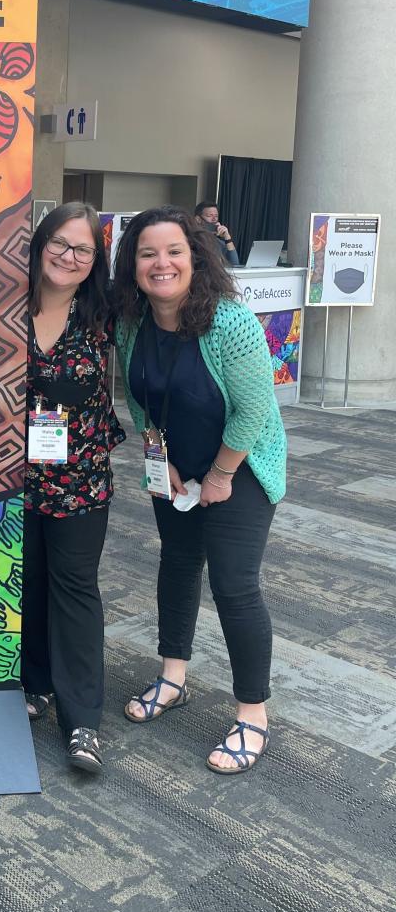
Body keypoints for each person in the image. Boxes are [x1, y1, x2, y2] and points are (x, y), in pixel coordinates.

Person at [111, 206, 286, 774]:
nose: (161, 263)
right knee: (178, 567)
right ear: (133, 265)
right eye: (147, 253)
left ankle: (252, 715)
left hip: (243, 467)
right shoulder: (132, 324)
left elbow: (257, 407)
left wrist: (220, 474)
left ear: (195, 258)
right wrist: (161, 459)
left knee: (234, 587)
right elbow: (139, 399)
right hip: (177, 471)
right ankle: (173, 678)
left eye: (173, 252)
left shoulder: (229, 322)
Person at [23, 203, 125, 774]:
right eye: (60, 243)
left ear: (94, 261)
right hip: (10, 477)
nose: (69, 256)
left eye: (82, 249)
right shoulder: (1, 308)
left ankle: (83, 720)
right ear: (40, 245)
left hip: (80, 479)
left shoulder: (105, 318)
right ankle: (34, 684)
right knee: (29, 582)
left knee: (75, 587)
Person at [195, 201, 238, 266]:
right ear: (198, 219)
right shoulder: (192, 240)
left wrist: (228, 238)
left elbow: (235, 264)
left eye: (216, 216)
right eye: (210, 216)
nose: (214, 219)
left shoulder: (220, 243)